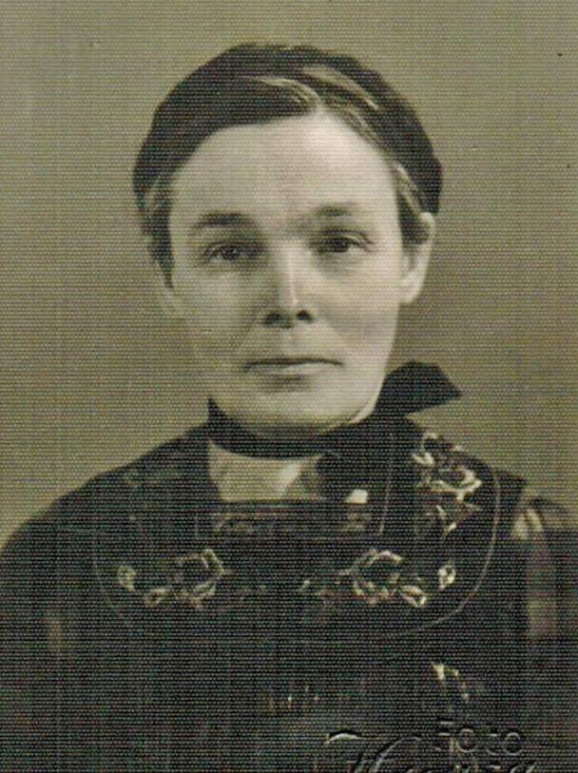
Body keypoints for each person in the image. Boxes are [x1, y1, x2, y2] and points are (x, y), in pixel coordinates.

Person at [0, 43, 576, 772]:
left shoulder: (527, 549)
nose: (288, 300)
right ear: (167, 274)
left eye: (338, 242)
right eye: (231, 251)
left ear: (411, 257)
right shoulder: (57, 562)